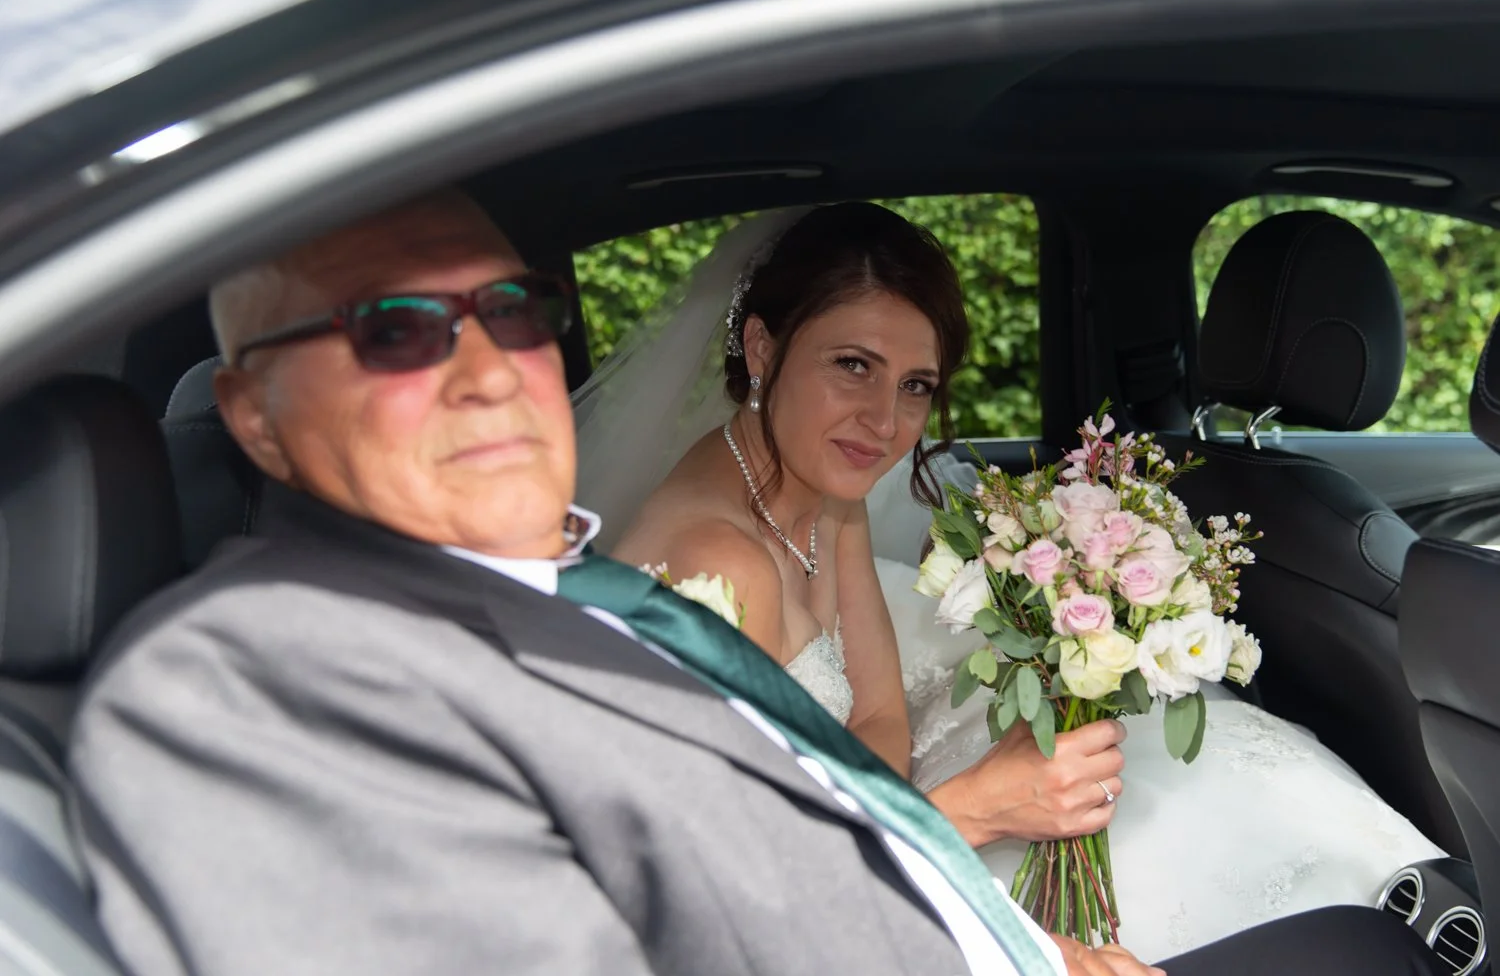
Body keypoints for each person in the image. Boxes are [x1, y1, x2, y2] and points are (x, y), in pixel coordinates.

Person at [68, 189, 1437, 976]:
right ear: (249, 418)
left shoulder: (538, 584)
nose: (489, 369)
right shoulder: (249, 682)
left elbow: (772, 819)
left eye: (516, 314)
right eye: (397, 330)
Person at [593, 201, 1446, 963]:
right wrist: (968, 817)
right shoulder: (715, 566)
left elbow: (882, 714)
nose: (885, 422)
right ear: (761, 347)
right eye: (851, 365)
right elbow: (724, 892)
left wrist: (904, 806)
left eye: (915, 385)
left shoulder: (820, 488)